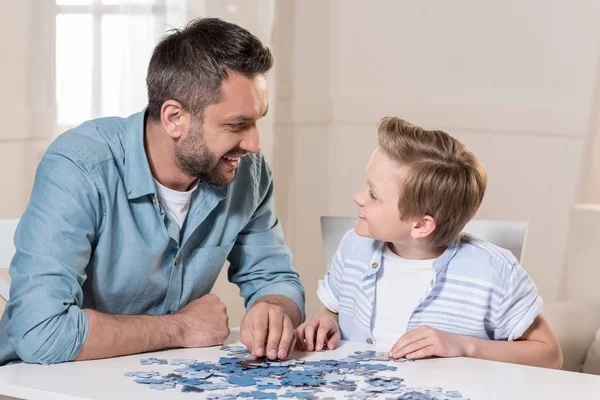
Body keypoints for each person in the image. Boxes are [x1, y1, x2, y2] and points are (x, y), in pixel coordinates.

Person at [0, 18, 304, 365]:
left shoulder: (246, 173)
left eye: (257, 120)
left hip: (161, 380)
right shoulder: (79, 166)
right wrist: (180, 329)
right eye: (237, 125)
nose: (253, 143)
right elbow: (40, 332)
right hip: (42, 383)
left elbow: (276, 279)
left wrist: (274, 307)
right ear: (174, 117)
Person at [296, 117, 562, 369]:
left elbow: (550, 354)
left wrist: (464, 346)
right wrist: (326, 323)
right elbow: (332, 312)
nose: (357, 196)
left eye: (373, 194)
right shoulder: (354, 247)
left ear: (421, 225)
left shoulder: (494, 273)